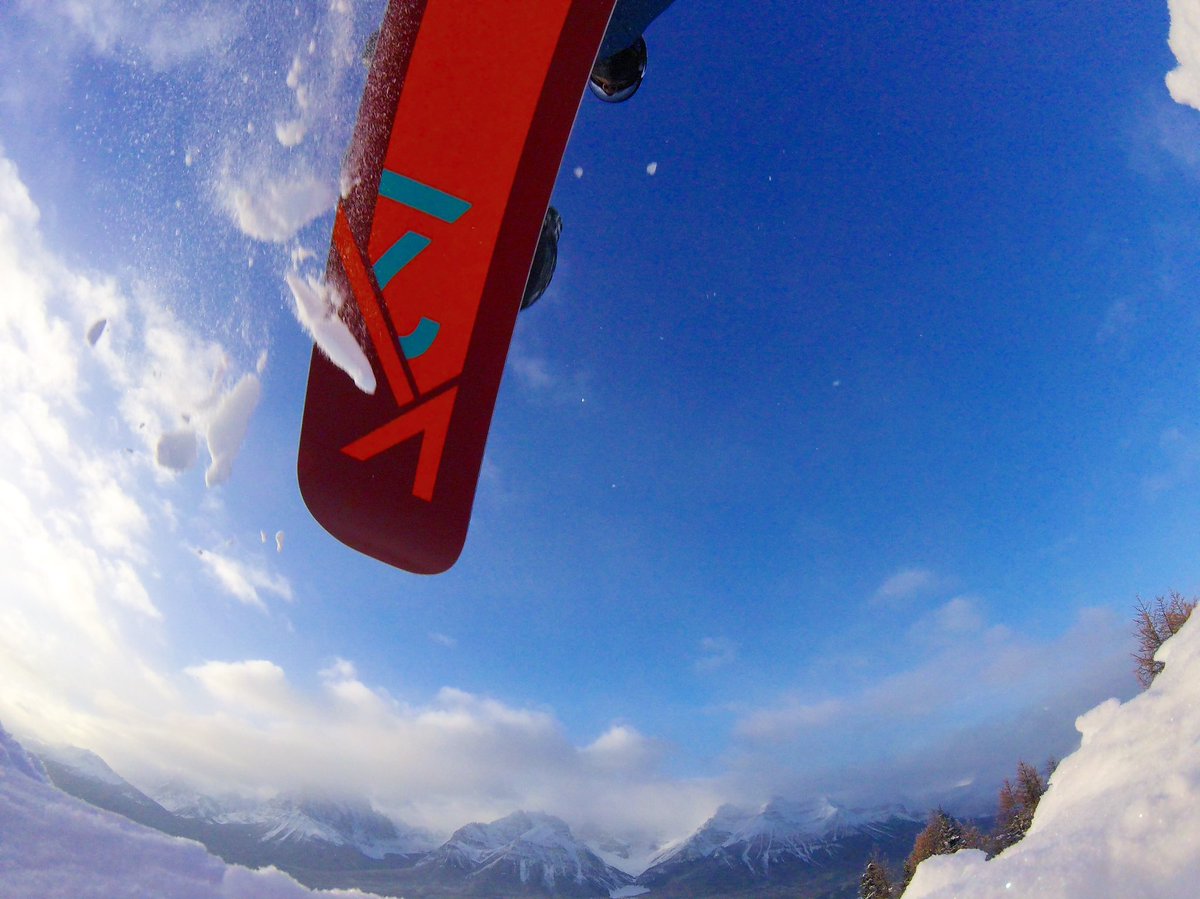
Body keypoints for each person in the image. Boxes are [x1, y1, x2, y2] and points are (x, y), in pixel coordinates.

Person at [522, 0, 678, 308]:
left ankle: (519, 258)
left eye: (608, 82)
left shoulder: (588, 39)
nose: (606, 81)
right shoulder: (602, 31)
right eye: (610, 78)